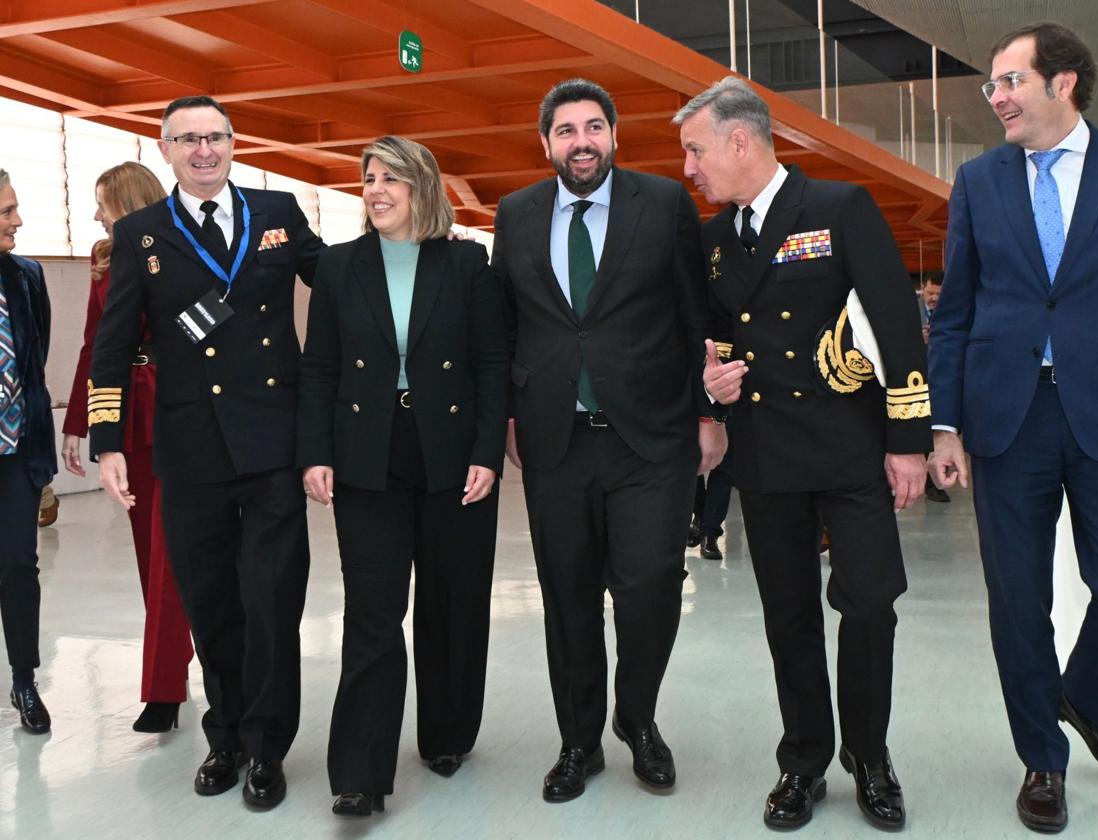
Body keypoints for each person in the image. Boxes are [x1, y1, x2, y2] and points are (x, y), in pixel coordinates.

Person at [928, 21, 1098, 834]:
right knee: (1017, 601)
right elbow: (955, 313)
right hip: (1005, 418)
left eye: (1009, 81)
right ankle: (1043, 759)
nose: (997, 97)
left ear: (1063, 84)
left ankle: (1082, 695)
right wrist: (945, 426)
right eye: (993, 86)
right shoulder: (979, 181)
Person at [676, 76, 931, 831]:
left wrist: (908, 442)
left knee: (871, 605)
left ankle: (871, 756)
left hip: (850, 451)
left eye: (695, 150)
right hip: (767, 458)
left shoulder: (838, 208)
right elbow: (715, 330)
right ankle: (804, 761)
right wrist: (710, 379)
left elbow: (896, 327)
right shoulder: (714, 240)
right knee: (787, 616)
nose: (689, 168)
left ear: (739, 140)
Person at [491, 78, 725, 802]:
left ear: (615, 136)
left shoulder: (662, 204)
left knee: (650, 586)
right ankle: (579, 741)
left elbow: (696, 313)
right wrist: (505, 415)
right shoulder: (517, 213)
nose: (582, 141)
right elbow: (506, 324)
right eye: (566, 131)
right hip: (554, 437)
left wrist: (709, 415)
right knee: (566, 595)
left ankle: (639, 719)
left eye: (594, 127)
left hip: (651, 438)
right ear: (547, 143)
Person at [89, 95, 324, 809]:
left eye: (215, 137)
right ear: (165, 150)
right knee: (213, 601)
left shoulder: (277, 210)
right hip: (190, 451)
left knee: (272, 599)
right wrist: (107, 442)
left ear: (232, 143)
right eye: (187, 139)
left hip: (274, 442)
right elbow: (112, 346)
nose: (203, 150)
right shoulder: (140, 234)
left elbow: (344, 285)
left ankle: (266, 747)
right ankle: (225, 737)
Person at [297, 136, 508, 817]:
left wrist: (485, 452)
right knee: (373, 611)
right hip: (368, 451)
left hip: (451, 454)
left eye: (392, 178)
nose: (377, 190)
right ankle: (360, 772)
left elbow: (490, 366)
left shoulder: (468, 263)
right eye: (368, 179)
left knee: (453, 601)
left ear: (424, 188)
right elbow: (320, 369)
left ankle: (446, 735)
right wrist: (316, 451)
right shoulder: (337, 267)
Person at [62, 162, 195, 733]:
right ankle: (174, 666)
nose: (95, 214)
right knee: (148, 555)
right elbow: (96, 348)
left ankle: (163, 687)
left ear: (131, 202)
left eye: (103, 203)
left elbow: (218, 315)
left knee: (169, 553)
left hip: (181, 409)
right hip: (129, 416)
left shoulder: (185, 246)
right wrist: (79, 424)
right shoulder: (103, 260)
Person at [0, 169, 54, 735]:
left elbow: (35, 356)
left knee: (18, 564)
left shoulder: (28, 275)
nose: (17, 220)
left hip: (16, 449)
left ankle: (24, 680)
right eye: (6, 211)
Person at [920, 275, 950, 503]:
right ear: (923, 289)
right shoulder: (909, 311)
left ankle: (935, 484)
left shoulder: (952, 313)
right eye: (930, 293)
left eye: (939, 294)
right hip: (917, 382)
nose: (934, 298)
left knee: (942, 434)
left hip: (942, 383)